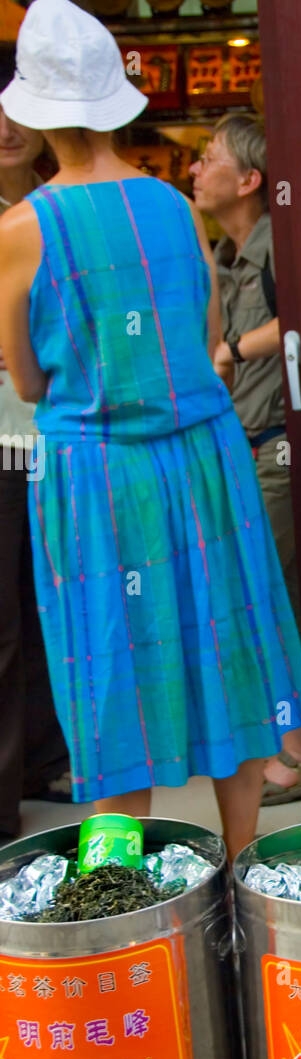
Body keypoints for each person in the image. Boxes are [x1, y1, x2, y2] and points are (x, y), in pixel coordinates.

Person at [0, 0, 301, 860]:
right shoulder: (177, 210)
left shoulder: (21, 230)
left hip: (99, 474)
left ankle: (125, 884)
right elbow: (209, 338)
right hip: (206, 459)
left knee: (113, 670)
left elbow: (27, 379)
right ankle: (247, 858)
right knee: (228, 648)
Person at [190, 113, 301, 806]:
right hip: (248, 444)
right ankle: (290, 745)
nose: (194, 169)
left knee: (267, 594)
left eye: (207, 158)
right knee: (269, 592)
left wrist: (235, 351)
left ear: (248, 180)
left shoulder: (278, 247)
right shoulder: (227, 256)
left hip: (283, 447)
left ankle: (299, 753)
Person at [0, 95, 70, 842]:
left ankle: (43, 760)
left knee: (44, 610)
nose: (6, 128)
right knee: (6, 626)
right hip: (5, 441)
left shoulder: (55, 211)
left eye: (15, 109)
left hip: (50, 444)